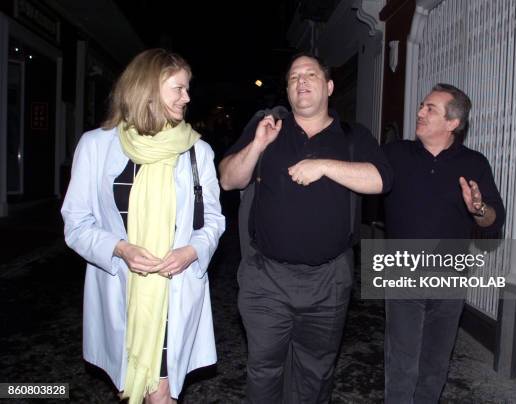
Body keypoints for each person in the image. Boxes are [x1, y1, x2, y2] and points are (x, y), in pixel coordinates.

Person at [219, 52, 392, 403]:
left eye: (310, 75)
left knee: (315, 373)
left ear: (328, 86)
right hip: (267, 278)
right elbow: (227, 179)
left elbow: (381, 180)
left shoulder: (352, 136)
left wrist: (325, 165)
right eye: (294, 77)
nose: (301, 82)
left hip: (328, 280)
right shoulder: (267, 127)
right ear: (287, 89)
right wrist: (257, 145)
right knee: (264, 370)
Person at [61, 49, 225, 404]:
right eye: (178, 88)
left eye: (187, 88)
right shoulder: (95, 146)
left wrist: (191, 251)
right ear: (148, 89)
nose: (187, 97)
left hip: (173, 292)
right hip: (122, 291)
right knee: (133, 387)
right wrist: (119, 248)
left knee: (160, 393)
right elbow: (76, 223)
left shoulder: (198, 152)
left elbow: (213, 220)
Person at [383, 83, 505, 403]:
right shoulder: (395, 154)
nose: (420, 112)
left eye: (430, 109)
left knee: (435, 363)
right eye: (422, 106)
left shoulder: (474, 163)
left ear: (453, 123)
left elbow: (494, 219)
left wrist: (479, 208)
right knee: (402, 362)